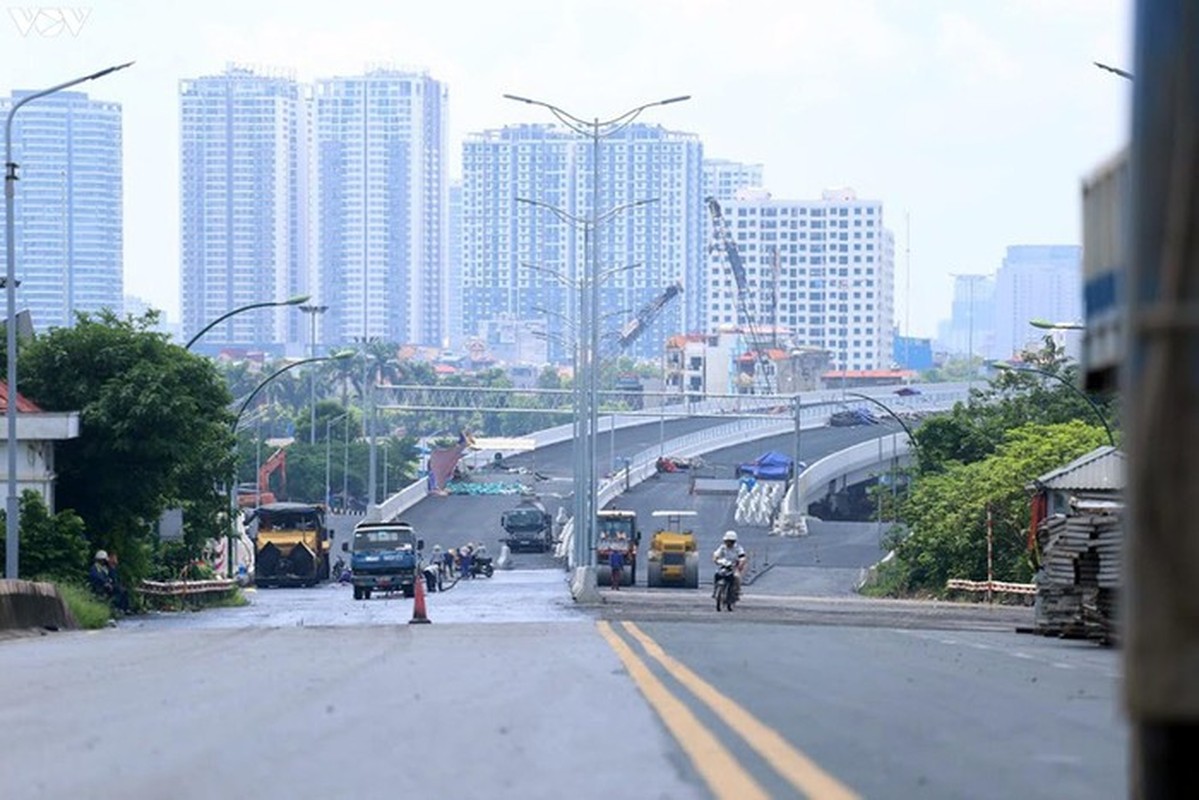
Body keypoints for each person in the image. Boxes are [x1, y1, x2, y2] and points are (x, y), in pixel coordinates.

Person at [711, 530, 747, 600]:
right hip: (724, 565)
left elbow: (742, 556)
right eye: (727, 541)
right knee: (717, 574)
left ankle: (737, 591)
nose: (728, 543)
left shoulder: (738, 548)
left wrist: (741, 563)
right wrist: (715, 559)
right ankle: (715, 589)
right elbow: (716, 554)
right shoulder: (722, 547)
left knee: (736, 577)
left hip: (734, 566)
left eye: (730, 541)